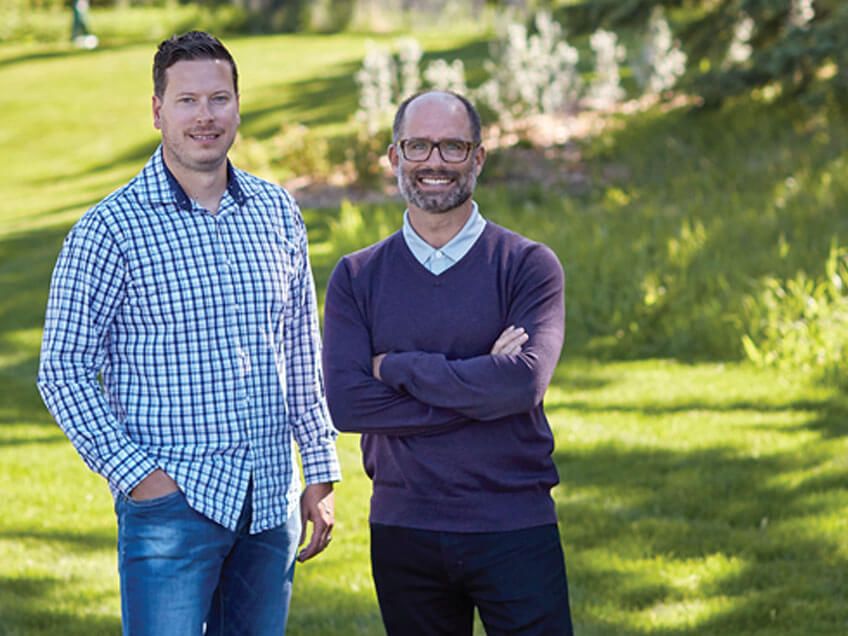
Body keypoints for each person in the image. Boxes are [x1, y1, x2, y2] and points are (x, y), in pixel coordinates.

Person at [37, 31, 340, 635]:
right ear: (157, 111)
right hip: (172, 509)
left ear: (237, 106)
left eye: (219, 99)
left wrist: (321, 470)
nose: (206, 116)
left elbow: (302, 347)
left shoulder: (277, 212)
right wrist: (139, 478)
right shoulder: (108, 230)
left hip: (270, 499)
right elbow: (63, 370)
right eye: (187, 101)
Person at [322, 90, 573, 635]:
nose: (434, 162)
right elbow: (346, 403)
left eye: (453, 147)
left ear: (478, 158)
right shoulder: (358, 276)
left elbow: (522, 384)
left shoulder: (528, 265)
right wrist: (480, 385)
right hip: (404, 528)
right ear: (395, 157)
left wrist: (396, 369)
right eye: (418, 146)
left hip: (514, 525)